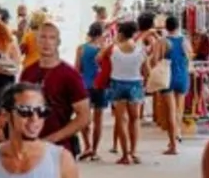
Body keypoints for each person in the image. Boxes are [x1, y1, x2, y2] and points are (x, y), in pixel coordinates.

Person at [20, 21, 91, 157]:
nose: (47, 42)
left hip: (60, 150)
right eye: (43, 37)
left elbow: (84, 116)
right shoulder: (28, 73)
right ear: (36, 40)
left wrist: (52, 139)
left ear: (58, 42)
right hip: (30, 148)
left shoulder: (70, 75)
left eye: (52, 38)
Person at [102, 19, 149, 166]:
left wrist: (114, 42)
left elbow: (99, 57)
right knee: (135, 120)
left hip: (117, 84)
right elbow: (147, 71)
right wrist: (144, 84)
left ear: (121, 33)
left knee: (120, 120)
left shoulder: (113, 49)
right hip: (135, 84)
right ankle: (133, 152)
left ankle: (125, 155)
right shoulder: (141, 50)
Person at [158, 15, 195, 156]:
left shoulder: (163, 42)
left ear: (166, 27)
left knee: (170, 112)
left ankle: (173, 145)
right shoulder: (185, 41)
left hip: (167, 77)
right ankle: (177, 134)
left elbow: (157, 59)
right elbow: (190, 56)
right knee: (179, 110)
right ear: (178, 26)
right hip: (182, 76)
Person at [76, 23, 109, 161]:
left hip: (85, 85)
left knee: (84, 118)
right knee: (98, 119)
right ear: (102, 34)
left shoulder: (81, 49)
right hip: (100, 86)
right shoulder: (104, 50)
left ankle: (87, 146)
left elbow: (77, 69)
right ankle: (94, 150)